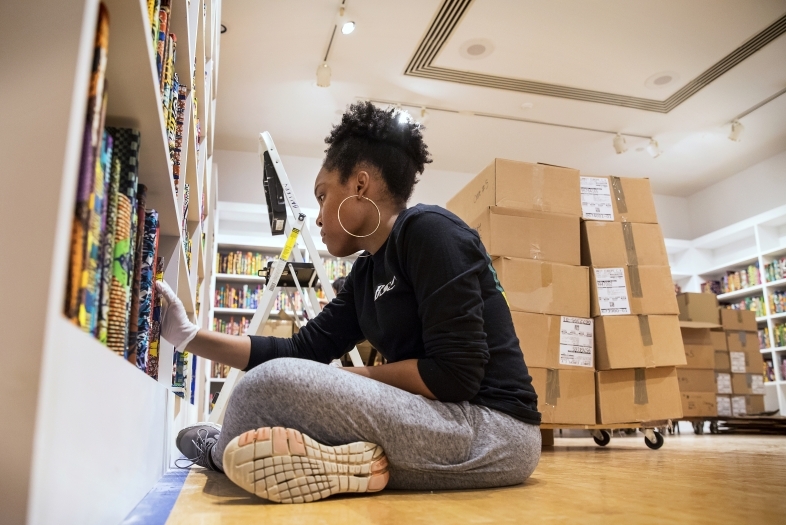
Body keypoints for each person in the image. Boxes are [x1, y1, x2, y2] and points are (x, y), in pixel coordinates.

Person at [157, 101, 541, 504]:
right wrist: (187, 337)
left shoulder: (430, 231)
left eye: (323, 195)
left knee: (263, 389)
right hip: (435, 422)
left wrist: (344, 380)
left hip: (493, 433)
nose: (319, 217)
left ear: (359, 186)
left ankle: (222, 454)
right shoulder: (367, 273)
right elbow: (299, 351)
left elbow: (454, 376)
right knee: (273, 382)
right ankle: (347, 462)